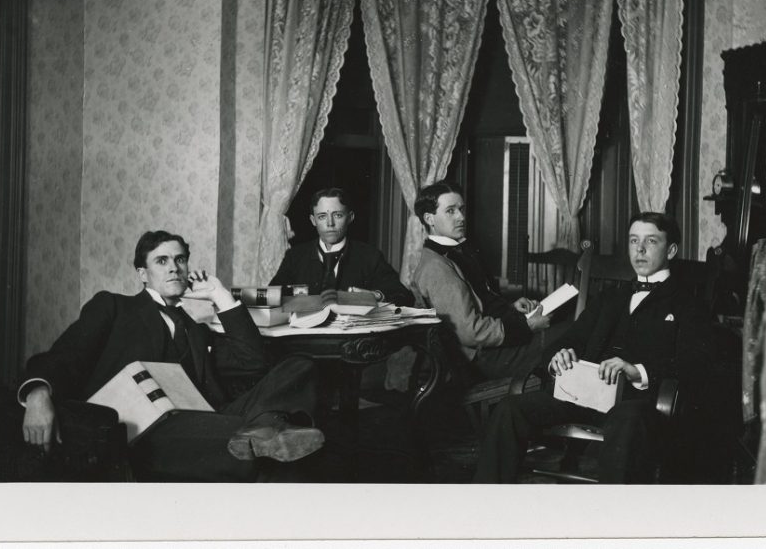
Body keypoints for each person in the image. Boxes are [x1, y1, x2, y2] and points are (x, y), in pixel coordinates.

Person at [19, 230, 324, 482]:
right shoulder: (114, 307)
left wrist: (220, 296)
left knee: (300, 365)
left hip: (208, 417)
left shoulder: (196, 329)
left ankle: (265, 427)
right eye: (161, 261)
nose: (173, 268)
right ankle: (267, 433)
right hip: (148, 430)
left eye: (180, 260)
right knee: (273, 456)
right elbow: (65, 354)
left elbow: (253, 363)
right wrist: (37, 393)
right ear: (143, 273)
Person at [472, 212, 712, 483]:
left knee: (626, 420)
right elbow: (569, 340)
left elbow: (695, 365)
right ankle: (487, 505)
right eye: (634, 241)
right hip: (585, 396)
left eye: (651, 241)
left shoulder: (688, 305)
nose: (640, 249)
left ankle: (609, 518)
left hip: (637, 405)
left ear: (671, 250)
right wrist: (557, 356)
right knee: (510, 409)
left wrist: (636, 371)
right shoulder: (609, 298)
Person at [410, 181, 568, 382]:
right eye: (450, 211)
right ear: (429, 219)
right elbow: (470, 332)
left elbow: (475, 302)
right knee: (573, 332)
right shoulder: (436, 267)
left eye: (461, 209)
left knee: (571, 326)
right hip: (481, 360)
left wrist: (510, 308)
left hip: (491, 347)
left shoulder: (453, 253)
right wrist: (527, 326)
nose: (461, 217)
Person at [270, 187, 414, 306]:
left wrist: (375, 296)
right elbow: (272, 295)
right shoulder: (295, 256)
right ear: (313, 220)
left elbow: (404, 296)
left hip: (351, 336)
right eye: (322, 217)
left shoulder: (369, 256)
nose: (330, 223)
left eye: (337, 215)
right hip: (304, 335)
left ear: (350, 217)